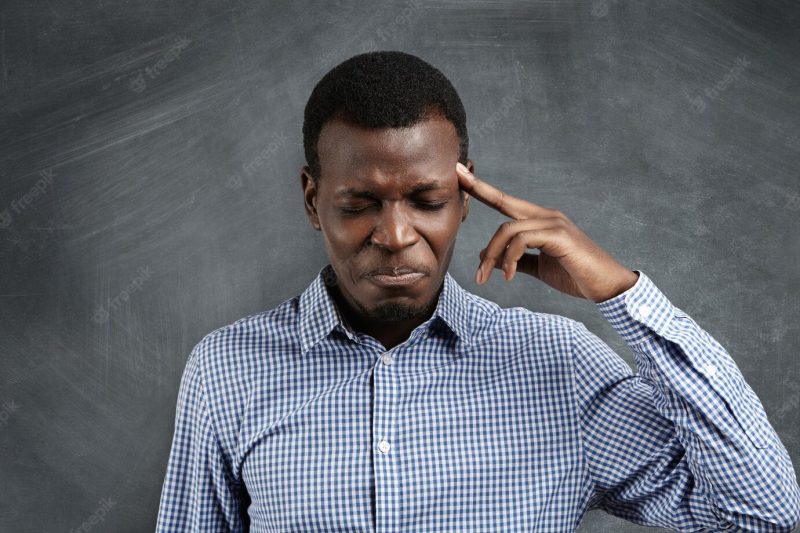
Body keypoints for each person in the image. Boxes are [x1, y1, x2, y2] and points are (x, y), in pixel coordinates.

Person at [155, 50, 800, 532]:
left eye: (427, 200)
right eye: (360, 204)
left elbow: (764, 517)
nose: (396, 234)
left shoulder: (560, 367)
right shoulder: (227, 372)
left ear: (464, 199)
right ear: (312, 200)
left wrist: (622, 294)